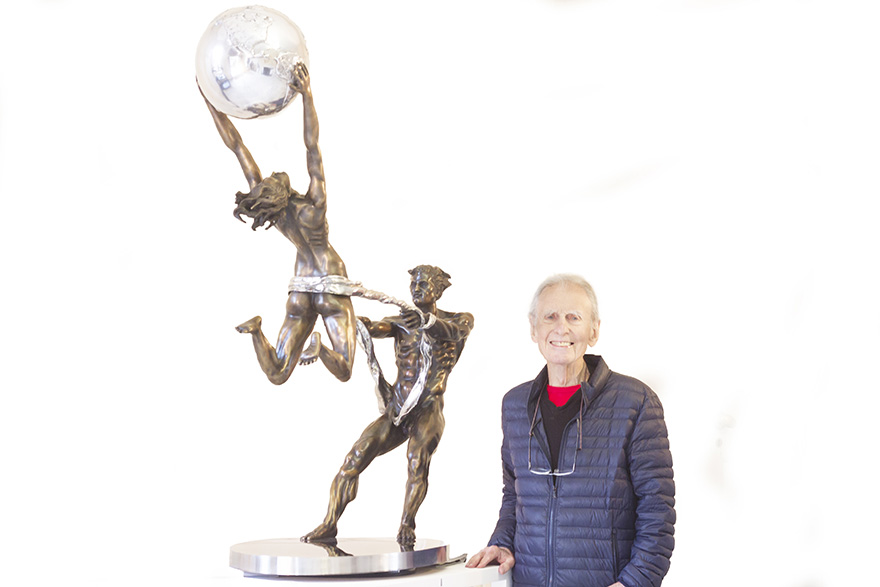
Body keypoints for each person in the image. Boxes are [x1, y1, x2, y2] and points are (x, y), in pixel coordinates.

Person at [466, 274, 675, 587]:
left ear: (594, 330)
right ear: (533, 328)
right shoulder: (515, 405)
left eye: (573, 317)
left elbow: (657, 510)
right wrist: (502, 543)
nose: (561, 328)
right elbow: (514, 497)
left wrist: (633, 582)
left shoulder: (636, 401)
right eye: (550, 316)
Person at [202, 63, 356, 384]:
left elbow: (237, 147)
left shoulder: (278, 217)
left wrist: (211, 100)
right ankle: (320, 349)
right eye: (274, 178)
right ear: (282, 190)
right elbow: (312, 146)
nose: (274, 174)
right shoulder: (314, 207)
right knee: (343, 368)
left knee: (278, 372)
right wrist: (306, 96)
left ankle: (257, 332)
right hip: (330, 279)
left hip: (300, 286)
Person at [302, 265, 474, 546]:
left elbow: (454, 332)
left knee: (417, 462)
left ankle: (407, 523)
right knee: (354, 458)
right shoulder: (399, 322)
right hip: (398, 408)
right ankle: (329, 523)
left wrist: (425, 322)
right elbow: (370, 327)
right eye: (414, 284)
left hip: (428, 409)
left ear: (438, 290)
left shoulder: (459, 319)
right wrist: (337, 308)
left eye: (423, 284)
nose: (416, 289)